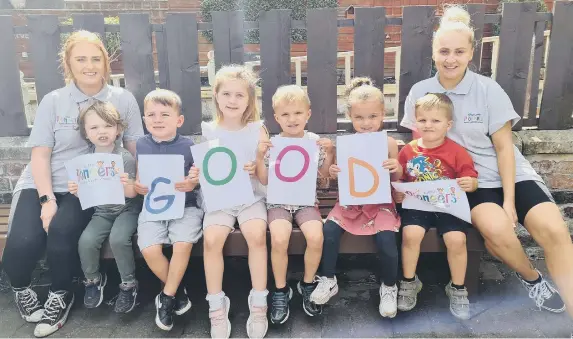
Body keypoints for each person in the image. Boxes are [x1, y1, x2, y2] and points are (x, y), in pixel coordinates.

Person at [401, 5, 571, 315]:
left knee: (555, 232)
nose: (450, 58)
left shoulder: (488, 90)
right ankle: (533, 279)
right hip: (471, 181)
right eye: (444, 51)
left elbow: (505, 149)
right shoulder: (420, 92)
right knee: (496, 231)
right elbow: (417, 145)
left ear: (470, 53)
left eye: (459, 51)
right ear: (434, 52)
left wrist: (510, 201)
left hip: (513, 175)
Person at [2, 30, 144, 338]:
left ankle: (60, 295)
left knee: (62, 235)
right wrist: (46, 199)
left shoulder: (122, 99)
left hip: (87, 187)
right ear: (68, 63)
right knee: (22, 243)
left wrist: (142, 184)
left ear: (106, 63)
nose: (89, 65)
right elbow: (40, 156)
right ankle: (21, 288)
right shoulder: (54, 101)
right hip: (43, 182)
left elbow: (134, 147)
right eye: (80, 59)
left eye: (96, 59)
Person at [310, 77, 403, 318]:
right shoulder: (347, 143)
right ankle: (328, 278)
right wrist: (333, 170)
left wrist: (396, 167)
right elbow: (341, 175)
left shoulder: (389, 143)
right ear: (350, 116)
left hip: (381, 204)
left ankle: (389, 286)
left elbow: (399, 180)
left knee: (386, 241)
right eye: (359, 117)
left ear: (383, 114)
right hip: (350, 203)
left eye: (372, 116)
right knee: (329, 232)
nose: (366, 123)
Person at [199, 65, 269, 339]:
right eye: (226, 94)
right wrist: (197, 174)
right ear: (215, 96)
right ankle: (216, 304)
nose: (232, 100)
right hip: (221, 198)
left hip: (250, 195)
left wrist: (257, 165)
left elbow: (265, 175)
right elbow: (208, 169)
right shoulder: (209, 130)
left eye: (240, 95)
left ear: (249, 100)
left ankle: (259, 302)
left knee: (256, 236)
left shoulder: (257, 129)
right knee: (212, 239)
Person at [254, 85, 334, 324]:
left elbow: (323, 177)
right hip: (278, 201)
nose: (292, 119)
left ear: (308, 114)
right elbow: (265, 179)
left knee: (316, 236)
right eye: (285, 115)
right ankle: (280, 289)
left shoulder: (313, 142)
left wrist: (329, 154)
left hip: (306, 201)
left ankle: (307, 284)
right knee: (279, 238)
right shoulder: (273, 144)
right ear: (277, 118)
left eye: (298, 113)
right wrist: (259, 157)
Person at [394, 93, 478, 320]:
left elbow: (471, 178)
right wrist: (399, 193)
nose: (428, 125)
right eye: (422, 120)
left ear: (448, 124)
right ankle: (410, 281)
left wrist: (470, 183)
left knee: (456, 240)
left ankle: (458, 288)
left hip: (448, 206)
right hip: (417, 206)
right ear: (415, 122)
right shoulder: (409, 150)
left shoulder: (457, 151)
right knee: (410, 234)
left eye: (435, 121)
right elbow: (401, 180)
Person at [134, 89, 203, 331]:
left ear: (179, 120)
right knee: (150, 249)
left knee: (182, 244)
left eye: (164, 114)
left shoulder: (188, 145)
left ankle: (165, 299)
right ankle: (177, 292)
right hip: (153, 208)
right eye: (151, 115)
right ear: (144, 120)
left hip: (186, 205)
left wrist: (192, 181)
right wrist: (139, 186)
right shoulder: (141, 145)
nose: (157, 119)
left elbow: (196, 177)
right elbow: (140, 178)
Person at [67, 102, 141, 313]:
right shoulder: (85, 161)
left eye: (107, 126)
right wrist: (76, 189)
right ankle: (93, 280)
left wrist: (125, 183)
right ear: (86, 133)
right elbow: (87, 194)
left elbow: (133, 193)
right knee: (86, 241)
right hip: (102, 211)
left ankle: (129, 284)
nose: (101, 132)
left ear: (118, 129)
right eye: (94, 128)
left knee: (118, 239)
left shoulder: (124, 157)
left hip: (127, 209)